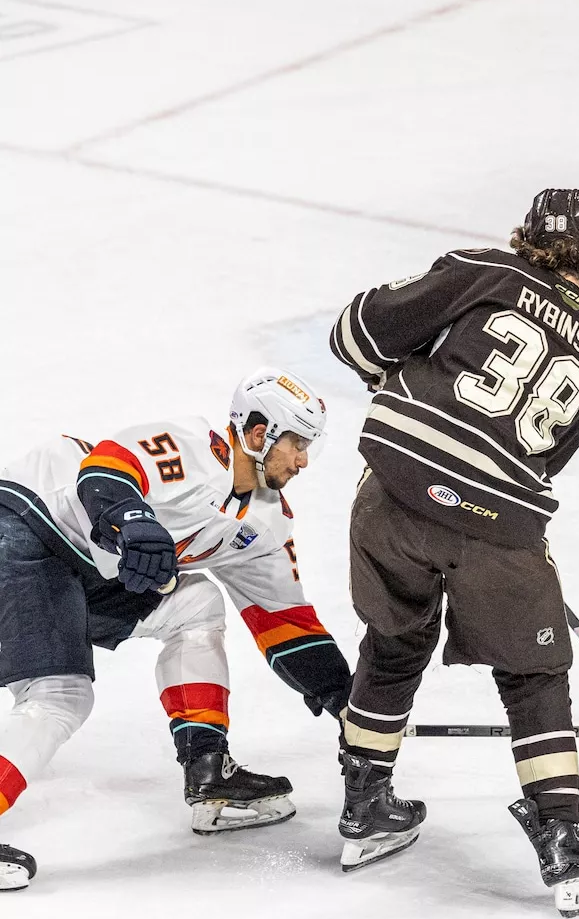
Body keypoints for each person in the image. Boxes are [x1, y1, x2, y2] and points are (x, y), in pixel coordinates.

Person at [328, 188, 579, 916]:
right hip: (496, 522)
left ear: (524, 239)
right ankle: (561, 839)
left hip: (392, 494)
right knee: (533, 673)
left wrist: (401, 375)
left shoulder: (484, 269)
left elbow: (353, 333)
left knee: (396, 639)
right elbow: (539, 463)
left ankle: (364, 805)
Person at [0, 368, 352, 891]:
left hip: (90, 570)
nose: (303, 461)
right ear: (259, 434)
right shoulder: (189, 447)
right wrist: (133, 521)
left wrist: (345, 698)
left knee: (196, 603)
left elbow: (285, 619)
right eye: (298, 445)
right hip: (29, 524)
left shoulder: (266, 524)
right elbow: (106, 468)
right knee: (58, 695)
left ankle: (209, 771)